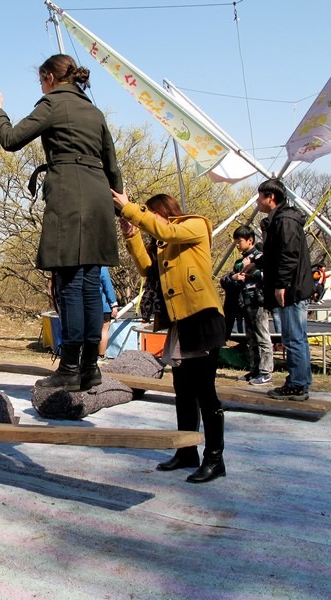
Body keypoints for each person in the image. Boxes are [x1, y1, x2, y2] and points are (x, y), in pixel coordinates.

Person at [0, 54, 123, 392]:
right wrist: (118, 206)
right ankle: (90, 368)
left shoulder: (53, 103)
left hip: (69, 197)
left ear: (49, 77)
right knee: (90, 285)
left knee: (70, 285)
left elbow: (11, 139)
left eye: (41, 80)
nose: (41, 86)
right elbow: (113, 164)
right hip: (99, 199)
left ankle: (70, 369)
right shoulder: (94, 110)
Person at [113, 190, 227, 484]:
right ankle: (186, 450)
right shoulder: (164, 244)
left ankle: (215, 458)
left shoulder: (195, 225)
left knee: (205, 392)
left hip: (203, 319)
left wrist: (131, 209)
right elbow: (146, 269)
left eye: (151, 213)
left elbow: (165, 230)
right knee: (183, 391)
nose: (148, 220)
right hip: (180, 324)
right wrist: (132, 235)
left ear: (164, 211)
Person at [257, 178, 314, 401]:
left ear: (271, 198)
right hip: (293, 286)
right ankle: (301, 381)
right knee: (298, 337)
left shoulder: (285, 221)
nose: (257, 201)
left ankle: (297, 384)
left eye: (260, 196)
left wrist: (281, 285)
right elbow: (275, 254)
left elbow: (288, 255)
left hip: (292, 289)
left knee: (293, 338)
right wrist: (258, 263)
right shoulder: (281, 220)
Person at [220, 225, 273, 385]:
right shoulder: (239, 261)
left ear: (250, 240)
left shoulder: (261, 258)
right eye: (235, 242)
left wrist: (248, 269)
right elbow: (227, 279)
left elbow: (266, 275)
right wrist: (234, 277)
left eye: (240, 241)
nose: (237, 245)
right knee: (251, 337)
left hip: (258, 302)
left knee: (262, 336)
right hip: (244, 303)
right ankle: (255, 369)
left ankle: (266, 371)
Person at [98, 266, 119, 359]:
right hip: (103, 305)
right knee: (104, 330)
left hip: (86, 306)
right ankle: (101, 355)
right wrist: (113, 304)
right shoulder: (102, 267)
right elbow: (107, 285)